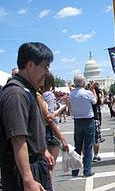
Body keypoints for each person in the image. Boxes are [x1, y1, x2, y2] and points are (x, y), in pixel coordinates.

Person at [0, 42, 55, 191]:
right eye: (45, 67)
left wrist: (43, 149)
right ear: (30, 65)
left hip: (35, 165)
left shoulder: (27, 90)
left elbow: (31, 129)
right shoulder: (16, 94)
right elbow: (18, 139)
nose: (47, 72)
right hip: (24, 172)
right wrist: (28, 179)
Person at [38, 72, 69, 185]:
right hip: (51, 131)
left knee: (44, 165)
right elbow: (50, 116)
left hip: (41, 130)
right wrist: (61, 108)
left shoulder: (39, 94)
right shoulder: (49, 95)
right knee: (51, 166)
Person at [70, 74, 97, 177]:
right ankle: (87, 170)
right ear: (83, 82)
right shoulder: (88, 93)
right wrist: (92, 89)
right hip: (88, 120)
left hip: (77, 121)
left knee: (77, 146)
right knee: (88, 146)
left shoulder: (71, 94)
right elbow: (95, 101)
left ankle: (75, 170)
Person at [92, 83, 104, 162]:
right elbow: (101, 102)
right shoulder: (97, 96)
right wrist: (102, 94)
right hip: (96, 117)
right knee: (96, 139)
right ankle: (95, 155)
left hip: (88, 118)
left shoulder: (87, 95)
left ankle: (85, 156)